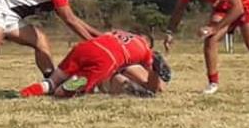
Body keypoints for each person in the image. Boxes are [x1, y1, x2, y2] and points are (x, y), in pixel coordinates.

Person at [16, 30, 171, 98]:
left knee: (52, 81)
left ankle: (24, 93)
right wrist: (157, 74)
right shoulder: (145, 50)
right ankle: (76, 84)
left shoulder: (120, 32)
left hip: (85, 47)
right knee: (61, 93)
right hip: (105, 60)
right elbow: (154, 85)